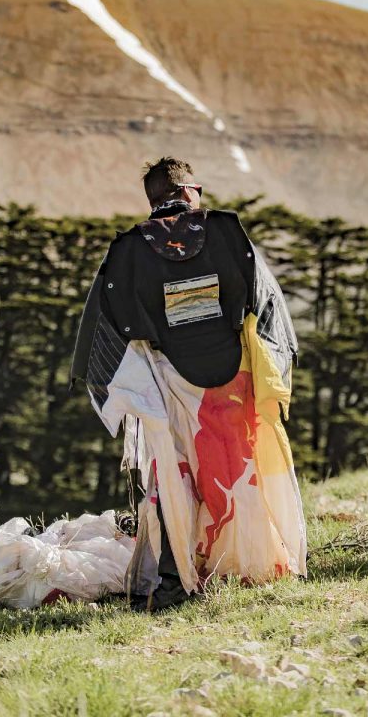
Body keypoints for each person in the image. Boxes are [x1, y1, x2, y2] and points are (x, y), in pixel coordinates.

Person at [71, 157, 305, 611]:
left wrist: (119, 398)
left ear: (152, 199)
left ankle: (180, 577)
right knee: (241, 474)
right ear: (191, 190)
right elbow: (267, 305)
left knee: (178, 482)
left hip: (170, 384)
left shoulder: (128, 250)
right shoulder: (227, 234)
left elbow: (106, 329)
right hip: (235, 381)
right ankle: (253, 564)